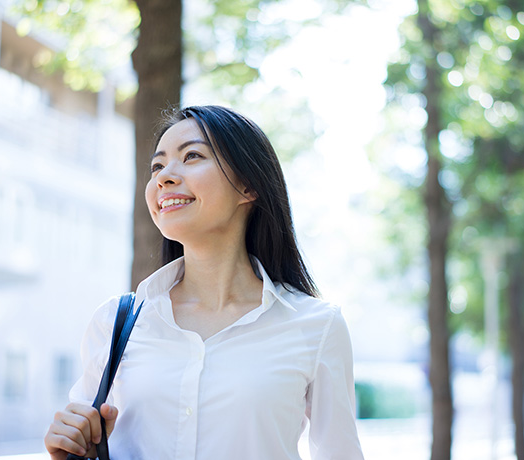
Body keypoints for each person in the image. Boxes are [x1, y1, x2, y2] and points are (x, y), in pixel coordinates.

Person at [44, 105, 364, 460]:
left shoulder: (316, 327)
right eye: (157, 166)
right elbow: (84, 441)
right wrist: (69, 449)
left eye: (191, 155)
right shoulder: (114, 323)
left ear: (248, 185)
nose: (164, 176)